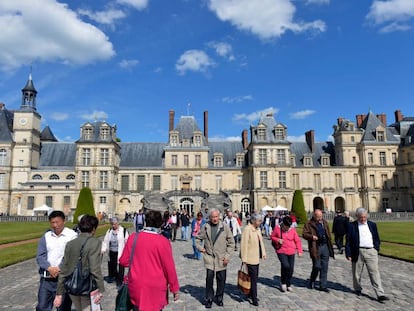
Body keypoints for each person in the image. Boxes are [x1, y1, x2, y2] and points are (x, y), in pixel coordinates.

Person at [119, 210, 180, 311]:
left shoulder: (133, 238)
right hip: (155, 287)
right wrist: (174, 288)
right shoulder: (163, 241)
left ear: (145, 221)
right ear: (160, 223)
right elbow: (169, 268)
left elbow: (123, 261)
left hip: (136, 284)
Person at [54, 215, 104, 311]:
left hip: (72, 286)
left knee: (78, 308)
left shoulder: (70, 243)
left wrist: (59, 293)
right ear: (93, 229)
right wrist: (100, 289)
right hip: (87, 286)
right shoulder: (95, 242)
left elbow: (64, 269)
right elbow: (95, 268)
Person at [345, 207, 389, 302]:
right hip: (357, 251)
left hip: (371, 251)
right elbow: (348, 240)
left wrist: (375, 249)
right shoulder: (352, 225)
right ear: (357, 216)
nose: (363, 219)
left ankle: (380, 293)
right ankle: (357, 288)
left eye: (365, 217)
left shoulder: (372, 225)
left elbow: (376, 238)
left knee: (375, 272)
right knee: (357, 273)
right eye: (361, 217)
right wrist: (348, 253)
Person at [36, 211, 77, 311]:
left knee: (63, 308)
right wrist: (49, 268)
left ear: (64, 221)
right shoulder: (46, 236)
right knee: (42, 307)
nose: (55, 225)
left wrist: (59, 268)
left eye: (57, 222)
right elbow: (40, 255)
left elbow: (71, 256)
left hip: (64, 279)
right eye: (52, 222)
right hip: (47, 279)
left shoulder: (72, 236)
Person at [196, 208, 235, 308]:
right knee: (209, 279)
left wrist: (227, 256)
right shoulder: (205, 227)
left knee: (221, 279)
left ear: (219, 217)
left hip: (222, 258)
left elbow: (231, 243)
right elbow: (197, 238)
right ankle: (209, 298)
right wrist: (201, 248)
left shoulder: (224, 227)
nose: (215, 219)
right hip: (209, 257)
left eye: (216, 217)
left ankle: (219, 297)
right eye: (213, 217)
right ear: (209, 217)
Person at [302, 208, 334, 292]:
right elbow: (304, 234)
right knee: (317, 266)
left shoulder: (324, 222)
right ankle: (312, 280)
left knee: (324, 267)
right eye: (318, 217)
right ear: (314, 215)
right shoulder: (309, 223)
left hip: (325, 246)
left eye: (321, 216)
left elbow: (328, 232)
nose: (320, 218)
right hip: (315, 246)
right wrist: (312, 237)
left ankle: (323, 285)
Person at [240, 213, 267, 306]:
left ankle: (251, 293)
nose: (261, 222)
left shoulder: (257, 229)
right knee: (254, 279)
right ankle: (254, 298)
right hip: (250, 259)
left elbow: (261, 242)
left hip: (256, 258)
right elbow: (244, 245)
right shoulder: (247, 230)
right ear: (254, 221)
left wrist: (263, 253)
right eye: (259, 221)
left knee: (254, 278)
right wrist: (244, 259)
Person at [271, 216, 303, 293]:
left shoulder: (292, 230)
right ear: (283, 224)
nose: (287, 228)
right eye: (286, 227)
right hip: (281, 250)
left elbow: (297, 240)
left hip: (291, 251)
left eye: (289, 227)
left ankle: (288, 284)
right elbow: (272, 236)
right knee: (285, 265)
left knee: (291, 269)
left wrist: (299, 250)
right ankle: (283, 282)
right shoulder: (277, 228)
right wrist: (278, 240)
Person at [101, 217, 129, 286]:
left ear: (118, 223)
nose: (113, 226)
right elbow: (105, 240)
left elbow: (127, 241)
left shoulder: (123, 231)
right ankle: (112, 277)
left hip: (120, 251)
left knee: (121, 266)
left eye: (115, 224)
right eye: (112, 224)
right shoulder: (109, 230)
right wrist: (103, 249)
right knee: (112, 264)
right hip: (112, 251)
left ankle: (120, 280)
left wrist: (127, 252)